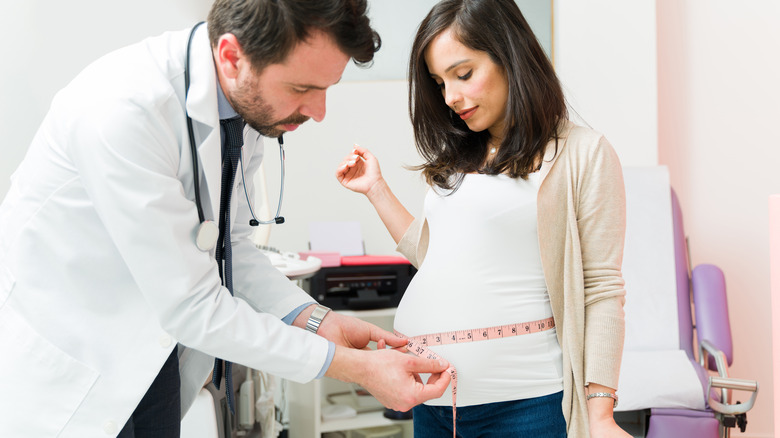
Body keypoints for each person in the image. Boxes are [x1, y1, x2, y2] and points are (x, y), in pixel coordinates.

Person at [0, 1, 451, 437]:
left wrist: (316, 319)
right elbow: (192, 305)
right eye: (301, 89)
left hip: (150, 362)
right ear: (232, 56)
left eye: (327, 88)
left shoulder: (240, 109)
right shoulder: (122, 110)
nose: (319, 112)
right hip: (70, 371)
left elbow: (228, 245)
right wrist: (357, 367)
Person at [336, 0, 630, 436]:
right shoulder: (458, 157)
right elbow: (436, 259)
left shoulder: (582, 153)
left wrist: (601, 412)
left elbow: (601, 288)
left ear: (509, 55)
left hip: (526, 402)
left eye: (464, 74)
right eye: (439, 83)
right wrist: (376, 191)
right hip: (436, 398)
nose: (451, 98)